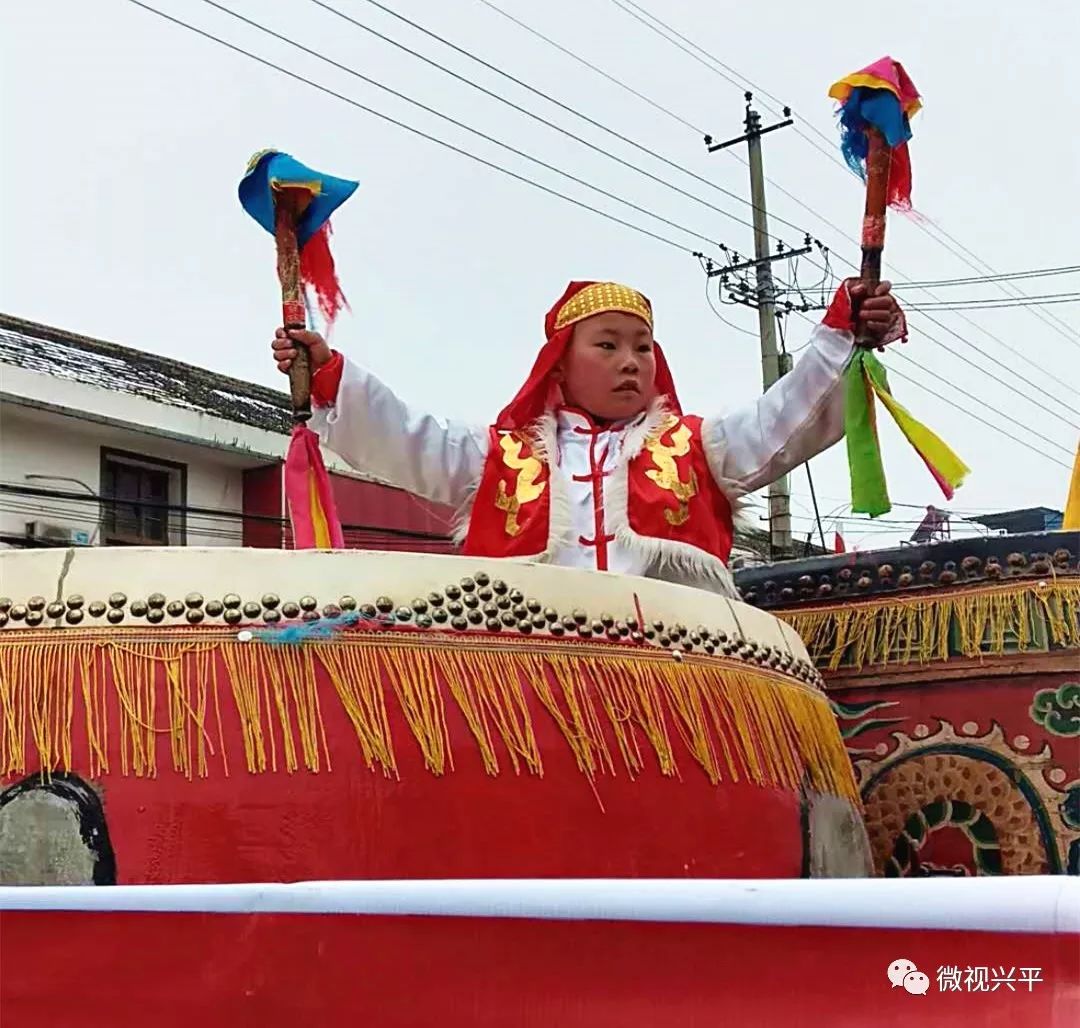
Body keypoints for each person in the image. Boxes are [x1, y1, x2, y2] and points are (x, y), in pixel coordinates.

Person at [272, 279, 903, 595]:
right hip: (534, 688)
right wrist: (329, 373)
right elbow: (403, 437)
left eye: (642, 347)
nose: (631, 361)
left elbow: (788, 417)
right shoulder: (502, 457)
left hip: (681, 686)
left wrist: (843, 333)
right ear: (560, 364)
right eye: (607, 345)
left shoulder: (695, 448)